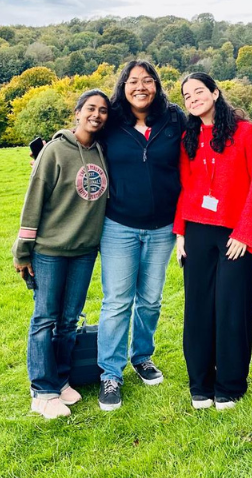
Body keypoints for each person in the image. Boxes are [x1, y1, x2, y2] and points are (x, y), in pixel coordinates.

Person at [174, 72, 252, 410]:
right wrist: (180, 233)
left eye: (198, 91)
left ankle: (229, 384)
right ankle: (200, 383)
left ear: (215, 93)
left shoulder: (244, 133)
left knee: (231, 308)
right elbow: (184, 188)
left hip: (235, 234)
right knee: (198, 309)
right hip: (197, 231)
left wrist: (246, 233)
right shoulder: (188, 136)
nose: (192, 99)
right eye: (186, 96)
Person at [12, 90, 110, 420]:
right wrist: (23, 251)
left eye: (103, 111)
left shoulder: (101, 152)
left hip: (84, 251)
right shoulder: (54, 151)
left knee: (69, 320)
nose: (97, 115)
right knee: (45, 318)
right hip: (50, 251)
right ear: (77, 113)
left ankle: (62, 378)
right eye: (91, 109)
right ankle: (42, 391)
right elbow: (33, 202)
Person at [96, 60, 185, 411]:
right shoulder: (111, 121)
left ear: (157, 86)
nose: (141, 87)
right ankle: (110, 373)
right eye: (134, 81)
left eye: (148, 81)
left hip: (163, 227)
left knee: (150, 299)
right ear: (124, 86)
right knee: (117, 300)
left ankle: (142, 356)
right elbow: (79, 137)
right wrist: (46, 154)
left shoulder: (174, 118)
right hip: (118, 225)